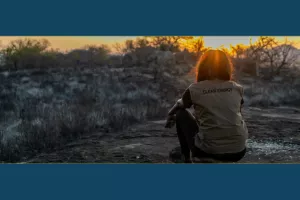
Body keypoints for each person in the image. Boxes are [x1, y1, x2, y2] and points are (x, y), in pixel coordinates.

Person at [165, 49, 248, 163]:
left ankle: (186, 158)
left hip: (208, 150)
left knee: (180, 114)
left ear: (203, 67)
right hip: (238, 151)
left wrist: (170, 114)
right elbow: (236, 112)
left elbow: (181, 105)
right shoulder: (237, 88)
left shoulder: (195, 89)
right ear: (227, 67)